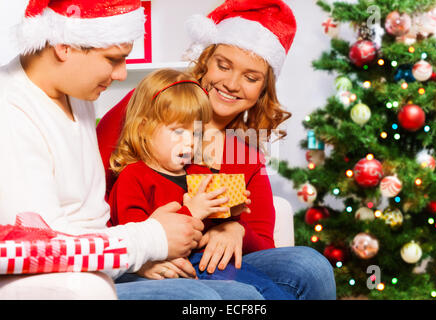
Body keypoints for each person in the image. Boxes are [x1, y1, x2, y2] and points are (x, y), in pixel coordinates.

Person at [0, 0, 263, 300]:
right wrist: (150, 244)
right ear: (64, 46)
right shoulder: (10, 113)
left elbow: (95, 215)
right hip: (73, 279)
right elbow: (42, 248)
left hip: (114, 259)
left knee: (304, 268)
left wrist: (229, 221)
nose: (122, 74)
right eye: (114, 59)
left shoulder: (76, 91)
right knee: (219, 298)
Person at [97, 0, 336, 299]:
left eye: (251, 78)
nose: (232, 83)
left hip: (211, 260)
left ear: (263, 90)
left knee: (310, 265)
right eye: (223, 65)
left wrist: (234, 229)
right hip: (134, 256)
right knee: (241, 295)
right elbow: (85, 192)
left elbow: (258, 236)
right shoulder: (154, 105)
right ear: (205, 60)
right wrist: (140, 254)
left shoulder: (243, 154)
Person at [107, 68, 294, 299]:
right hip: (176, 270)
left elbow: (215, 226)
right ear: (144, 128)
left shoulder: (199, 172)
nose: (189, 142)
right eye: (177, 131)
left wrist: (230, 214)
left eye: (196, 133)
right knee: (249, 294)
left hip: (210, 260)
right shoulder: (132, 178)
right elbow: (137, 241)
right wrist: (193, 211)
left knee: (269, 290)